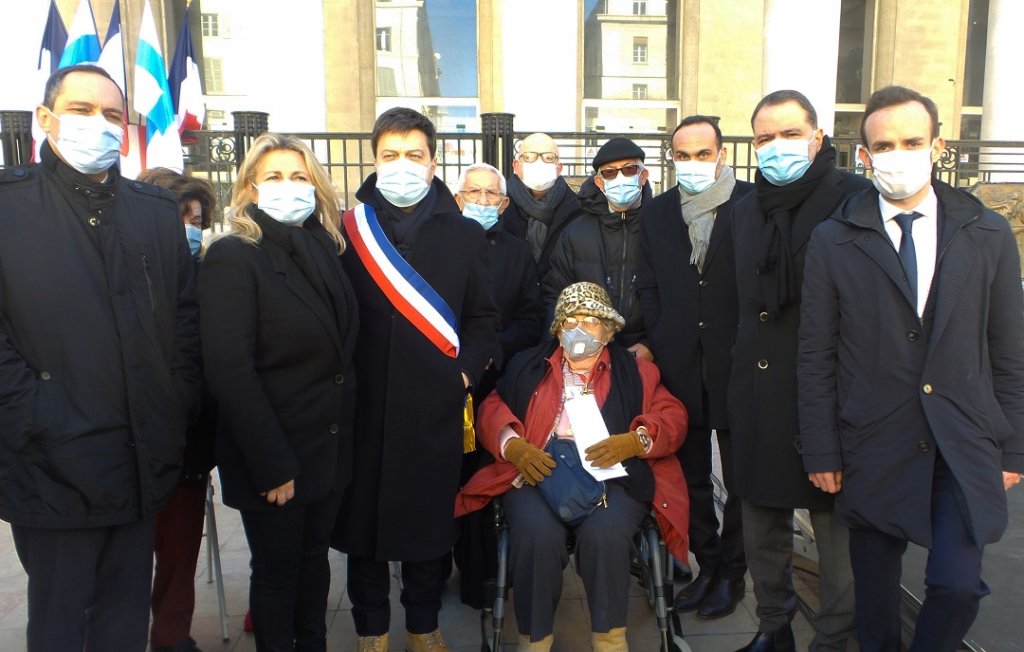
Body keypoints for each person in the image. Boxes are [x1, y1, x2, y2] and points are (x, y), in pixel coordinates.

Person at [798, 85, 1024, 652]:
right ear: (865, 155)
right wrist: (822, 448)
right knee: (874, 602)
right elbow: (817, 353)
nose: (898, 154)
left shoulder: (988, 233)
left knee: (957, 585)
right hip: (872, 441)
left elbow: (1009, 348)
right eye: (883, 144)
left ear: (937, 145)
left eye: (912, 141)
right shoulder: (834, 239)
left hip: (962, 440)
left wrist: (1015, 448)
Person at [0, 64, 201, 651]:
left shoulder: (153, 211)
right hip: (53, 466)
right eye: (83, 110)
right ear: (46, 119)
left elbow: (184, 319)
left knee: (121, 621)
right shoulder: (9, 206)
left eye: (113, 115)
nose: (101, 125)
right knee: (62, 625)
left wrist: (175, 400)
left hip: (141, 460)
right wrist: (37, 415)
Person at [332, 107, 499, 652]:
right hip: (364, 408)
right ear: (374, 160)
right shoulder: (345, 231)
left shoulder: (464, 234)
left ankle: (423, 627)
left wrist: (463, 374)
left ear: (433, 163)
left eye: (413, 155)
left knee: (429, 529)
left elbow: (483, 319)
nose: (401, 166)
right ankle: (370, 631)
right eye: (389, 155)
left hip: (435, 407)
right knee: (364, 530)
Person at [456, 281, 689, 652]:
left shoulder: (638, 372)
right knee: (535, 535)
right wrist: (512, 445)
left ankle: (610, 640)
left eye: (591, 320)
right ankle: (535, 641)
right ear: (558, 328)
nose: (579, 328)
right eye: (571, 320)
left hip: (612, 472)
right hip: (539, 467)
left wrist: (636, 439)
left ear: (609, 329)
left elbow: (672, 415)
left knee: (606, 535)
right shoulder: (528, 366)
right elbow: (492, 406)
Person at [199, 133, 358, 651]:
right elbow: (230, 371)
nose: (288, 186)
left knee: (314, 566)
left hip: (325, 449)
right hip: (275, 457)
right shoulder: (234, 256)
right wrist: (273, 464)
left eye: (299, 175)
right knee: (276, 574)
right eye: (273, 176)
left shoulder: (327, 248)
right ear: (249, 188)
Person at [728, 89, 871, 652]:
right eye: (765, 138)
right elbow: (735, 304)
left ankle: (835, 637)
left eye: (790, 134)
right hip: (759, 391)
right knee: (762, 522)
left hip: (828, 394)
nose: (776, 147)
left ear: (817, 136)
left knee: (836, 532)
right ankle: (773, 626)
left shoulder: (854, 199)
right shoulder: (745, 208)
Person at [636, 115, 754, 618]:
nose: (693, 164)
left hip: (739, 361)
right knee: (692, 472)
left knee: (744, 474)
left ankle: (733, 572)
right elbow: (649, 286)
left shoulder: (751, 204)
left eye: (703, 154)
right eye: (682, 155)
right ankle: (707, 565)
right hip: (681, 361)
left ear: (721, 155)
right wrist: (660, 336)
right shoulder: (658, 213)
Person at [451, 162, 545, 609]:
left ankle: (485, 577)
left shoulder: (518, 254)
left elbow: (531, 318)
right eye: (474, 193)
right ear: (458, 199)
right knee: (449, 475)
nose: (483, 202)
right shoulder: (440, 248)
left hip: (498, 384)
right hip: (449, 379)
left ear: (506, 204)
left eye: (492, 195)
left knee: (487, 478)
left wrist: (494, 348)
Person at [136, 167, 218, 652]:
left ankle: (172, 637)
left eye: (197, 219)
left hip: (188, 445)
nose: (191, 227)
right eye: (181, 216)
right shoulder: (120, 273)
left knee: (178, 552)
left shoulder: (211, 274)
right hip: (124, 444)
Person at [544, 137, 654, 360]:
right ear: (599, 183)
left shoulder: (662, 227)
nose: (620, 177)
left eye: (629, 169)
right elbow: (555, 295)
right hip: (586, 353)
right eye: (610, 173)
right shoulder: (576, 233)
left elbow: (678, 299)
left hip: (650, 355)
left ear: (643, 176)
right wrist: (574, 342)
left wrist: (653, 346)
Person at [502, 132, 585, 281]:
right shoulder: (500, 208)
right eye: (529, 157)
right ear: (516, 165)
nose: (538, 163)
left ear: (559, 167)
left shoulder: (577, 211)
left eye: (548, 158)